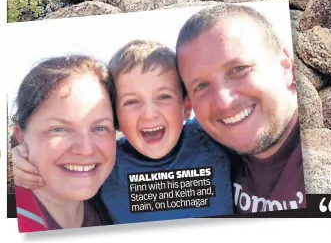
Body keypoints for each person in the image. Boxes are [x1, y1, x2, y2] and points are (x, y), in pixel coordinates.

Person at [13, 40, 233, 223]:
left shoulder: (213, 139)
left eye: (164, 97)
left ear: (186, 108)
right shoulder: (106, 166)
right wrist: (17, 156)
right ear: (116, 119)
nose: (149, 114)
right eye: (131, 102)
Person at [175, 3, 306, 213]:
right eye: (201, 86)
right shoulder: (202, 151)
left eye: (239, 69)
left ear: (286, 67)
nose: (223, 101)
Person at [12, 55, 116, 231]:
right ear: (21, 136)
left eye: (100, 128)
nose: (86, 150)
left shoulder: (115, 193)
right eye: (59, 129)